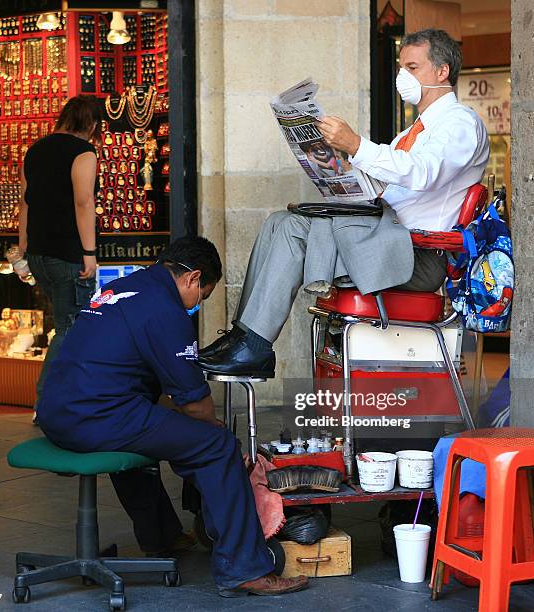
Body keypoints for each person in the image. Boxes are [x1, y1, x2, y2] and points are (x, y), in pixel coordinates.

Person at [198, 28, 489, 378]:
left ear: (442, 72)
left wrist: (356, 145)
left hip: (417, 256)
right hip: (387, 238)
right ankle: (244, 336)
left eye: (412, 67)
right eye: (401, 67)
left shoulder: (461, 124)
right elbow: (385, 185)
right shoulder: (412, 132)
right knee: (280, 221)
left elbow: (422, 173)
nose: (402, 77)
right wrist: (337, 172)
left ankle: (254, 346)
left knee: (293, 228)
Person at [36, 236, 309, 597]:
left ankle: (161, 537)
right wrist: (215, 426)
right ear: (193, 278)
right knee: (218, 446)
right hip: (97, 418)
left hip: (58, 412)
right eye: (203, 296)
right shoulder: (166, 309)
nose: (198, 305)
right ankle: (245, 569)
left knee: (146, 434)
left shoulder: (123, 287)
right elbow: (194, 402)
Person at [18, 95, 102, 424]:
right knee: (71, 327)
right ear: (92, 124)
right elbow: (84, 203)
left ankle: (65, 398)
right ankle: (46, 402)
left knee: (63, 324)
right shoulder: (83, 152)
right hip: (68, 253)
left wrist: (24, 247)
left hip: (39, 253)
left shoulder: (36, 150)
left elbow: (25, 202)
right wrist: (89, 253)